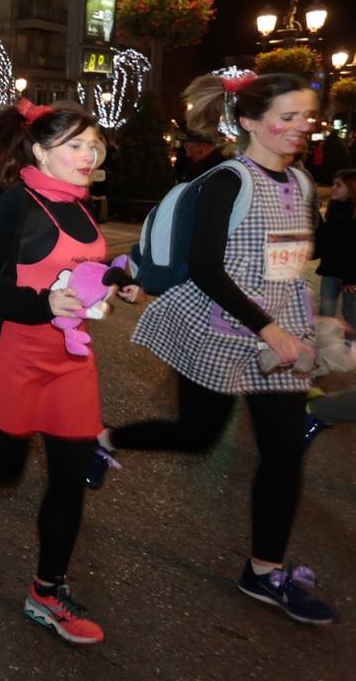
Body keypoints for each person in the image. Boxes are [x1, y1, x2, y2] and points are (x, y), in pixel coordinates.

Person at [94, 73, 336, 625]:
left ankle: (264, 570)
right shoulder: (226, 180)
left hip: (282, 333)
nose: (301, 128)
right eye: (289, 116)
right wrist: (268, 329)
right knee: (194, 434)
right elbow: (205, 268)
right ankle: (104, 438)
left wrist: (310, 317)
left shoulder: (300, 184)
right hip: (222, 329)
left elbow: (290, 263)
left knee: (281, 452)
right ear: (249, 121)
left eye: (307, 117)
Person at [0, 99, 135, 646]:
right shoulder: (13, 208)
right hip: (15, 355)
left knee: (69, 475)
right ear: (40, 151)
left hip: (71, 362)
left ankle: (46, 593)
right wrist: (44, 304)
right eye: (76, 146)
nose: (89, 155)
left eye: (94, 145)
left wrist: (117, 278)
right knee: (4, 466)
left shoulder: (84, 206)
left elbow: (79, 270)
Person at [315, 167, 354, 327]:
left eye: (338, 185)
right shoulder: (334, 208)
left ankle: (351, 349)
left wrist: (352, 278)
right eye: (333, 184)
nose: (333, 188)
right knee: (326, 311)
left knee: (351, 315)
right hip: (331, 270)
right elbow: (326, 240)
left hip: (352, 276)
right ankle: (326, 348)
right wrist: (314, 215)